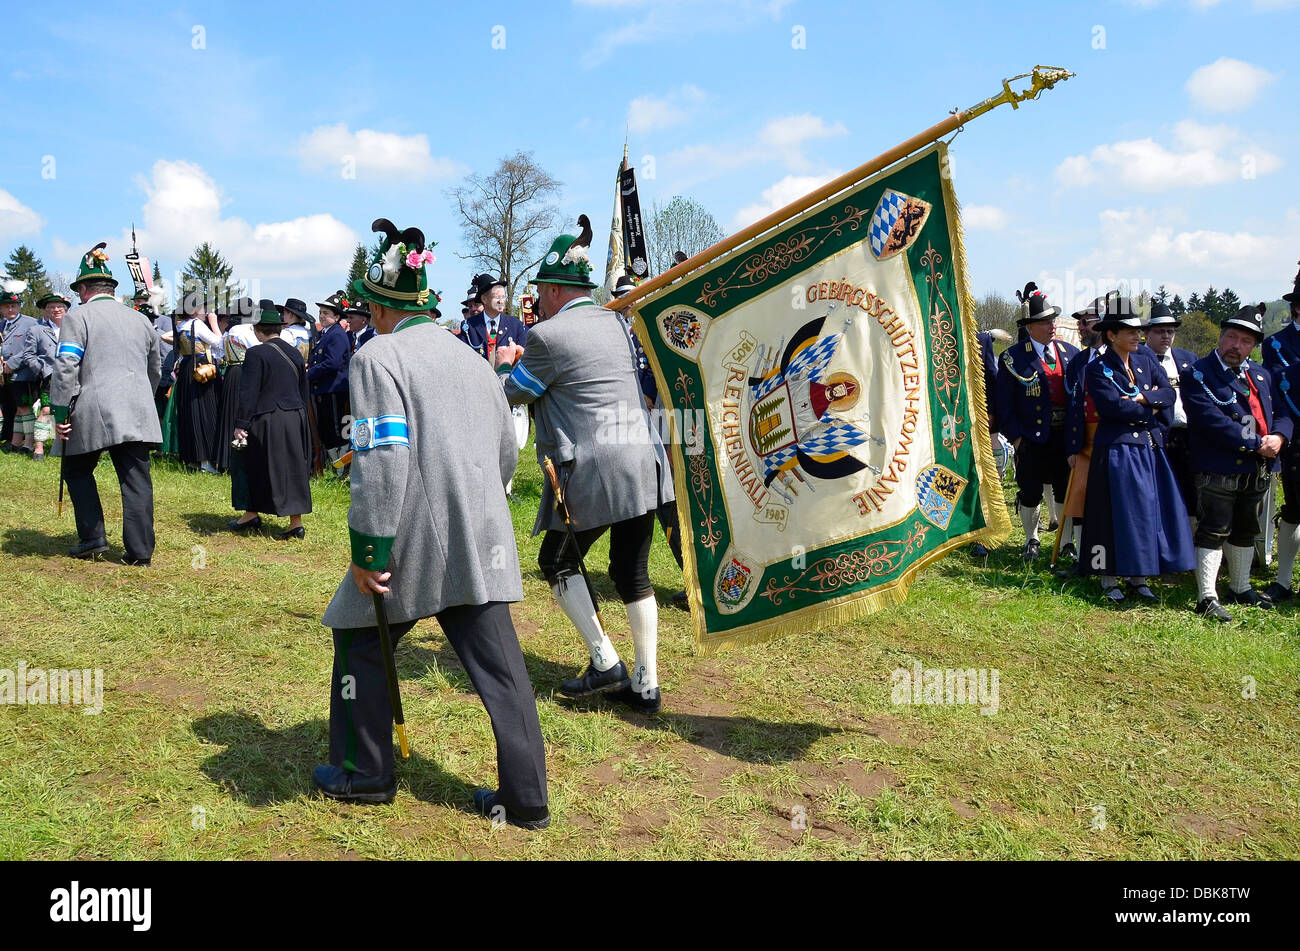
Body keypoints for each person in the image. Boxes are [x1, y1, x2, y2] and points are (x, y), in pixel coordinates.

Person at [315, 218, 548, 828]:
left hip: (414, 534)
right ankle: (526, 799)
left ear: (379, 307)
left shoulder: (377, 355)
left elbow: (382, 460)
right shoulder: (473, 359)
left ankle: (365, 773)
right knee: (503, 670)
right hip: (484, 534)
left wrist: (369, 549)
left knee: (360, 641)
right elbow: (506, 453)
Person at [503, 217, 675, 712]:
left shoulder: (547, 337)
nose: (538, 297)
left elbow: (519, 391)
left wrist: (506, 364)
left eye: (541, 289)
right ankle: (647, 684)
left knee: (555, 562)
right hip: (643, 459)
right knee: (631, 572)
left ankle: (605, 663)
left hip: (593, 470)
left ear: (556, 289)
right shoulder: (617, 322)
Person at [1078, 297, 1194, 603]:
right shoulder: (1098, 369)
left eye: (1138, 330)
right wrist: (1149, 404)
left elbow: (1168, 394)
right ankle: (1107, 576)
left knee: (1145, 514)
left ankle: (1138, 576)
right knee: (1112, 514)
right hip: (1116, 450)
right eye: (1129, 331)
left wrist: (1141, 399)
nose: (1137, 336)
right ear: (1112, 335)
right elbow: (1113, 408)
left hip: (1147, 448)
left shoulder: (1146, 360)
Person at [51, 243, 161, 564]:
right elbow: (154, 369)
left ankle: (93, 537)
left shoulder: (77, 316)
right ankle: (140, 553)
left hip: (93, 410)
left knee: (77, 469)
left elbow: (66, 365)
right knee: (136, 481)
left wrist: (60, 410)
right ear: (111, 289)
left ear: (84, 289)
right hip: (137, 410)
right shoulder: (140, 320)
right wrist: (142, 398)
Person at [1182, 303, 1292, 621]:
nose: (1237, 346)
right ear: (1221, 337)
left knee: (1246, 529)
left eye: (1245, 342)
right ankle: (1207, 596)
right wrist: (1257, 443)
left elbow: (1283, 413)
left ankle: (1241, 588)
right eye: (1232, 337)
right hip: (1218, 466)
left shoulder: (1260, 374)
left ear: (1253, 346)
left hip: (1257, 469)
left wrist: (1280, 438)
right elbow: (1209, 420)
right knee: (1214, 530)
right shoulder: (1199, 374)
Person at [994, 282, 1079, 561]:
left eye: (1053, 320)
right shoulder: (1013, 358)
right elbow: (1004, 405)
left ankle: (1065, 542)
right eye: (1044, 322)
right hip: (1031, 437)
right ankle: (1031, 538)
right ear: (1030, 327)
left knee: (1065, 488)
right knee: (1030, 491)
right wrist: (1016, 439)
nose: (1051, 326)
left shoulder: (1070, 353)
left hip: (1064, 437)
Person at [229, 304, 312, 539]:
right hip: (295, 416)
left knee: (250, 464)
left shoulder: (256, 353)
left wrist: (240, 424)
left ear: (257, 330)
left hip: (267, 418)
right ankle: (295, 523)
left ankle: (251, 513)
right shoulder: (295, 352)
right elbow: (303, 390)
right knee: (293, 469)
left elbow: (248, 393)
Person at [1058, 296, 1107, 566]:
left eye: (1086, 322)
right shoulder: (1077, 361)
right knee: (1079, 500)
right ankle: (1083, 558)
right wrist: (1072, 448)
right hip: (1083, 445)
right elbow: (1072, 408)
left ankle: (1107, 560)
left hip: (1111, 442)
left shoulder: (1121, 358)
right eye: (1078, 322)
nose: (1080, 327)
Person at [1143, 300, 1198, 509]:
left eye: (1170, 331)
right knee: (1158, 493)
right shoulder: (1136, 358)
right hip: (1155, 434)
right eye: (1160, 331)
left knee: (1188, 493)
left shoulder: (1188, 359)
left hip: (1186, 435)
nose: (1166, 336)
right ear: (1146, 333)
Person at [167, 302, 222, 473]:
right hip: (201, 371)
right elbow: (219, 343)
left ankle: (192, 460)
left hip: (186, 370)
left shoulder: (180, 326)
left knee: (189, 414)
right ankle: (206, 461)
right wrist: (214, 323)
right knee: (205, 413)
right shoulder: (197, 324)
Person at [307, 291, 352, 469]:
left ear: (336, 316)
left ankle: (341, 469)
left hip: (333, 389)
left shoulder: (336, 334)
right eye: (321, 313)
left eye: (326, 313)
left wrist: (309, 374)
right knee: (328, 430)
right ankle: (337, 467)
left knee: (336, 431)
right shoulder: (327, 334)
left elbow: (332, 363)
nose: (322, 316)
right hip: (325, 389)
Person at [21, 294, 69, 461]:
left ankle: (66, 447)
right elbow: (28, 355)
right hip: (50, 376)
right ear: (46, 310)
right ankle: (38, 449)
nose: (56, 310)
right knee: (47, 410)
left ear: (66, 309)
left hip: (72, 375)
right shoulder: (36, 330)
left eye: (60, 306)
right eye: (51, 307)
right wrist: (42, 370)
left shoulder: (73, 328)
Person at [0, 282, 37, 452]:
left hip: (23, 375)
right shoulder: (1, 325)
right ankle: (11, 440)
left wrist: (13, 364)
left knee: (23, 408)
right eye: (6, 306)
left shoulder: (31, 323)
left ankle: (28, 443)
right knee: (8, 408)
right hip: (4, 376)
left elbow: (32, 348)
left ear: (19, 306)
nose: (10, 309)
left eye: (13, 306)